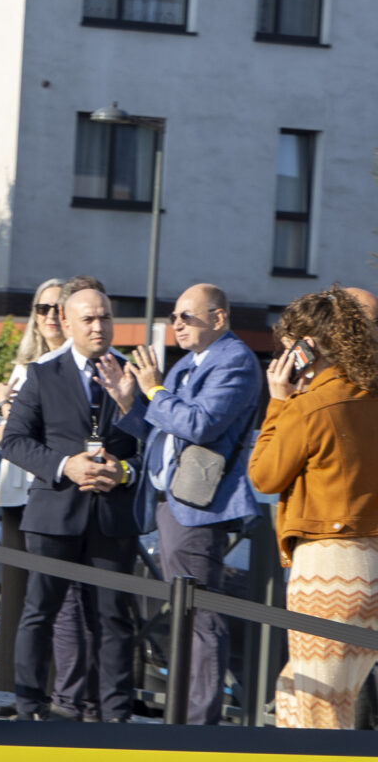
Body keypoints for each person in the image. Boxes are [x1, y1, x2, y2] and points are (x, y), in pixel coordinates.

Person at [233, 290, 378, 762]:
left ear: (306, 344)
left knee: (323, 709)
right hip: (371, 568)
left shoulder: (312, 406)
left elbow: (264, 474)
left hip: (327, 567)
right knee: (296, 691)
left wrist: (276, 402)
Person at [1, 284, 146, 722]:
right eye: (88, 318)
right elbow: (14, 440)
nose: (99, 326)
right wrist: (66, 465)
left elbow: (152, 446)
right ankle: (29, 708)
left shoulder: (132, 373)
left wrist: (125, 471)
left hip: (111, 517)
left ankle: (115, 717)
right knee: (38, 615)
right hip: (54, 515)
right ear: (66, 322)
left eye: (104, 317)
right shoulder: (42, 374)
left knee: (114, 621)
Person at [120, 282, 263, 727]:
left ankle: (199, 726)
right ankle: (181, 716)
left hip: (198, 509)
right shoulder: (186, 364)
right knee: (183, 617)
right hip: (171, 502)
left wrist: (154, 391)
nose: (176, 324)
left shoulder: (235, 361)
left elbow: (200, 425)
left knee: (201, 616)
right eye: (173, 316)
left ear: (218, 318)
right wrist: (130, 400)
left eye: (187, 316)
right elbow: (163, 434)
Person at [0, 279, 95, 719]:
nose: (49, 316)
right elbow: (4, 435)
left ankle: (65, 697)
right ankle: (28, 696)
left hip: (64, 494)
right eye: (42, 307)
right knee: (28, 601)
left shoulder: (81, 366)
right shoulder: (26, 366)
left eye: (57, 308)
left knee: (69, 605)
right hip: (21, 493)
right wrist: (1, 418)